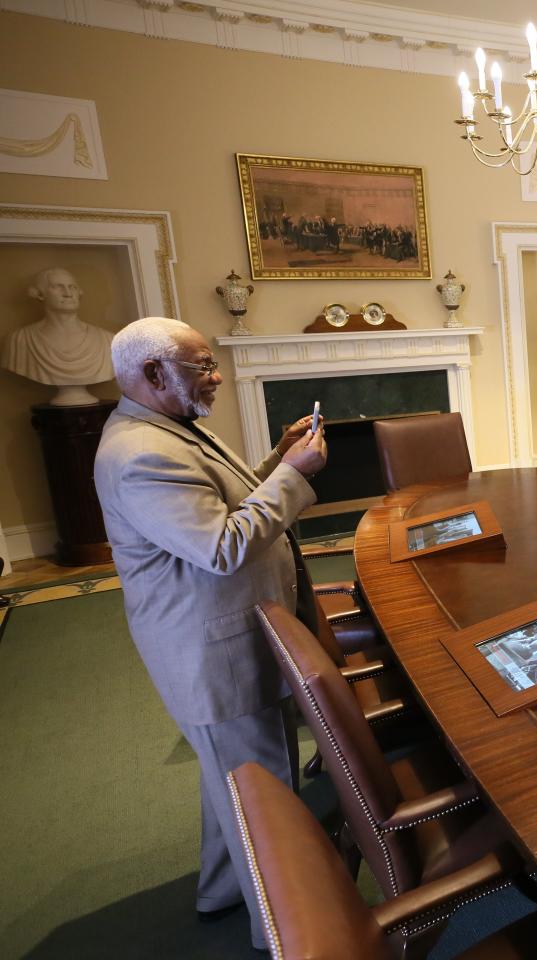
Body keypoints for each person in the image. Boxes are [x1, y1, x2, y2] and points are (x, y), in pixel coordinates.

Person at [93, 316, 328, 952]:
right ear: (152, 372)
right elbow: (221, 546)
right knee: (265, 791)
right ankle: (287, 936)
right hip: (213, 651)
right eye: (203, 366)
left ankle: (221, 890)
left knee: (235, 776)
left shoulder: (166, 425)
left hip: (226, 633)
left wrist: (278, 459)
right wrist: (296, 476)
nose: (217, 376)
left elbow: (221, 502)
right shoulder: (140, 454)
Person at [0, 266, 115, 406]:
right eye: (57, 287)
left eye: (72, 287)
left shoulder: (108, 340)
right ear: (40, 294)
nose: (68, 293)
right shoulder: (20, 340)